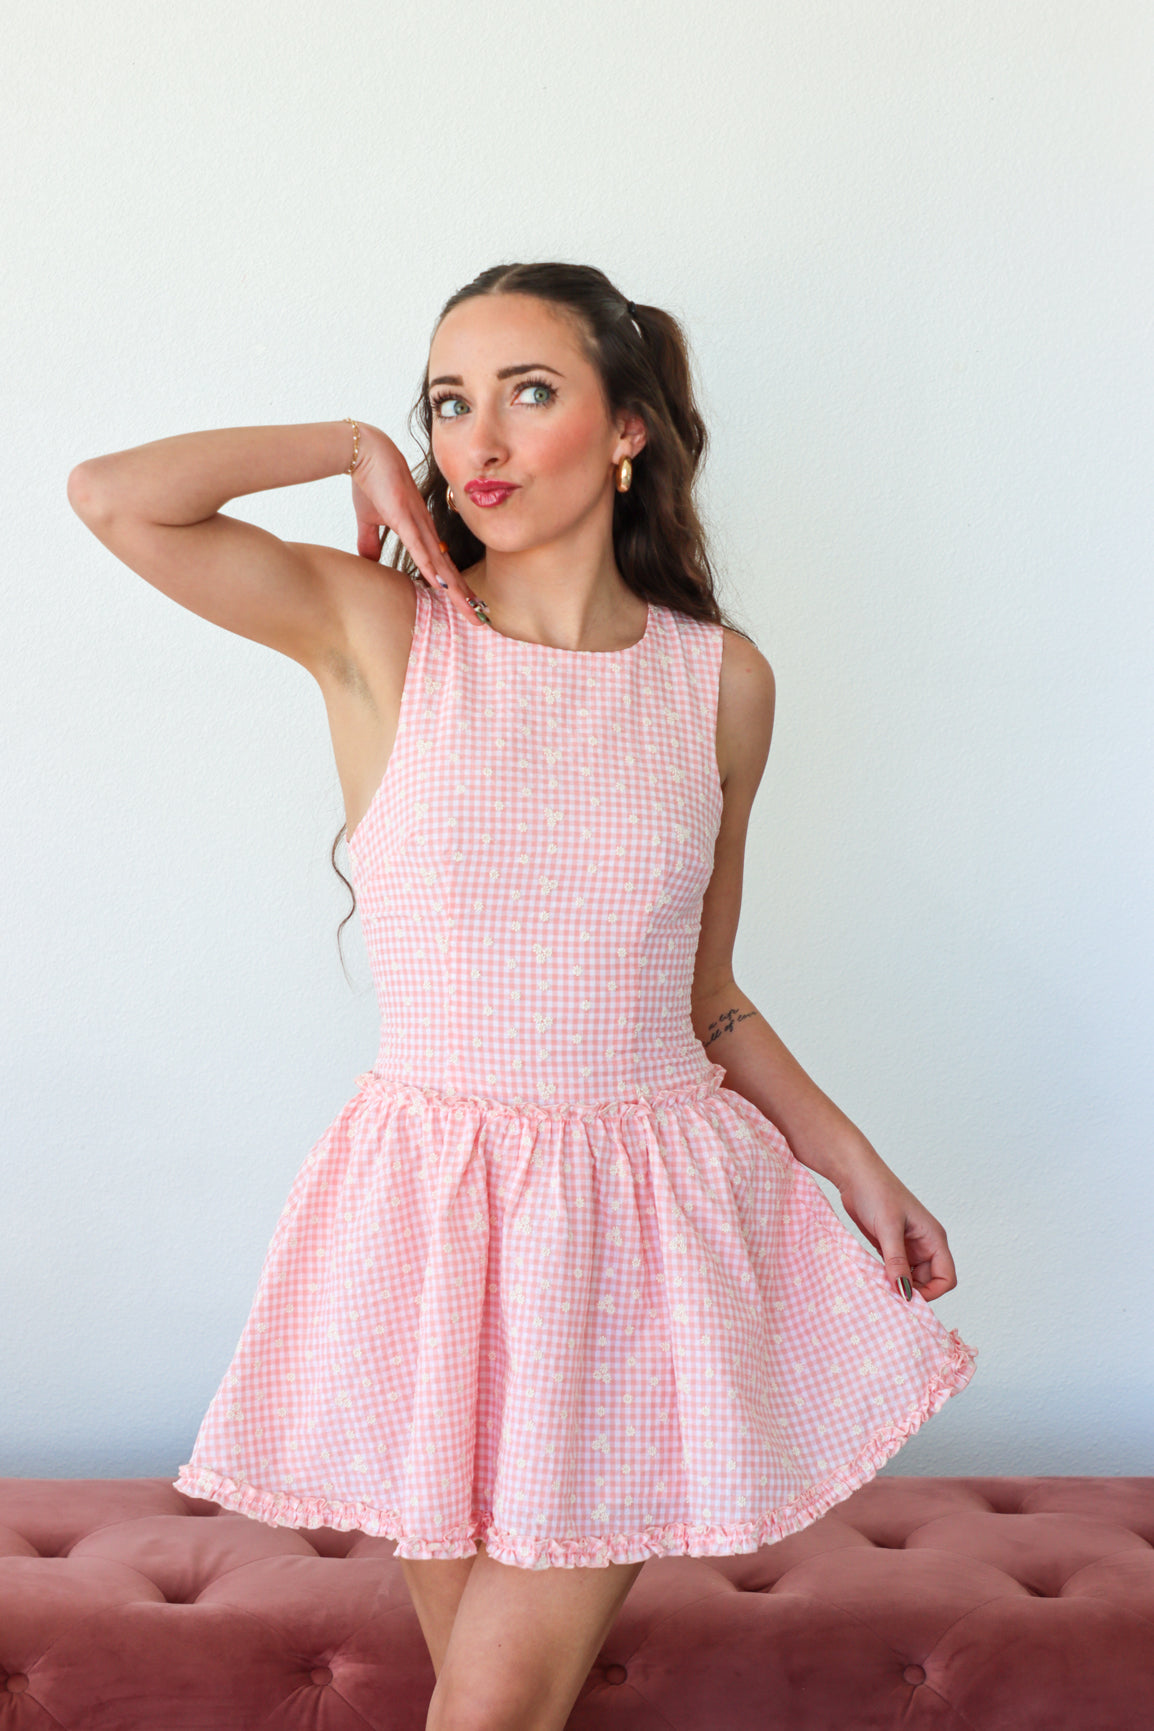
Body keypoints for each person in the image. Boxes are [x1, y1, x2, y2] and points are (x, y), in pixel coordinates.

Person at [67, 261, 977, 1731]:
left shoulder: (719, 684)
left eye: (528, 394)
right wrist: (343, 445)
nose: (475, 441)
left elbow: (707, 997)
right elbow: (113, 495)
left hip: (642, 1233)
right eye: (447, 403)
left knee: (489, 1711)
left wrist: (858, 1169)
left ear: (627, 431)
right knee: (501, 1713)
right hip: (429, 1228)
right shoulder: (380, 631)